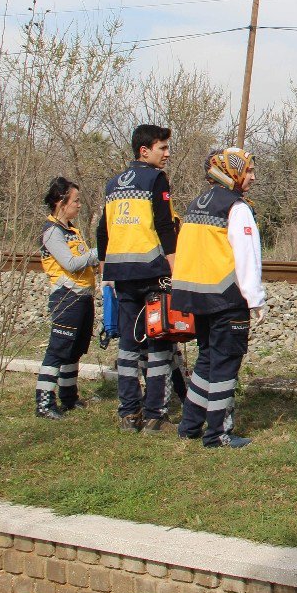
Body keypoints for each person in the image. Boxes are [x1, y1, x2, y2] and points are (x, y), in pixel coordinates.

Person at [172, 147, 265, 449]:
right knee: (226, 365)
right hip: (227, 298)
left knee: (207, 361)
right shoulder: (236, 208)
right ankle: (217, 433)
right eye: (248, 170)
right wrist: (255, 299)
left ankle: (189, 425)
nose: (252, 176)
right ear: (231, 171)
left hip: (198, 297)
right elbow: (247, 258)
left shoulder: (195, 203)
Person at [97, 124, 178, 433]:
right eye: (163, 148)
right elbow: (164, 226)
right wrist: (173, 268)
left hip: (121, 274)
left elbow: (102, 231)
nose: (167, 154)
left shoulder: (113, 184)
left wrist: (105, 273)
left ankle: (128, 413)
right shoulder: (155, 179)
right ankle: (156, 414)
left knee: (129, 345)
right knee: (159, 342)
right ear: (145, 151)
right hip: (152, 272)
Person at [36, 177, 99, 419]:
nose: (79, 205)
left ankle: (69, 397)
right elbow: (70, 263)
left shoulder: (71, 229)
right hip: (67, 297)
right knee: (58, 350)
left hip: (83, 297)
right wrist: (98, 252)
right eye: (76, 200)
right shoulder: (52, 232)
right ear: (61, 202)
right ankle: (44, 403)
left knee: (74, 350)